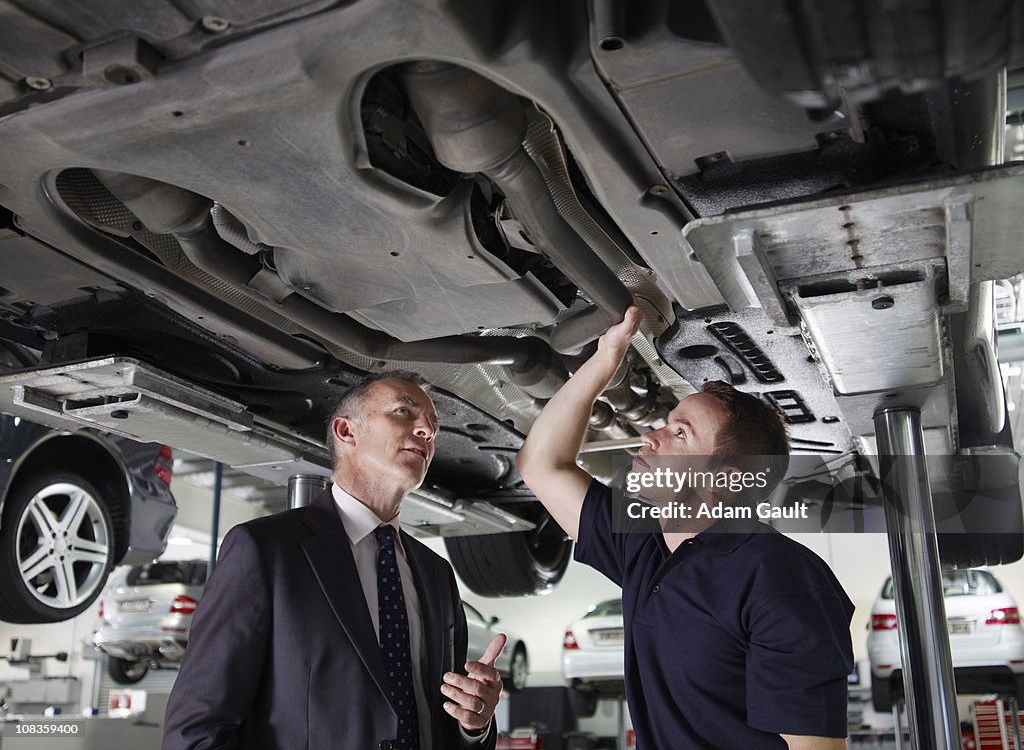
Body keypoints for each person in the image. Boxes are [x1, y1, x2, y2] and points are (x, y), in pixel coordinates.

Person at [516, 307, 854, 750]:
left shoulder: (780, 577)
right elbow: (541, 465)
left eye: (680, 434)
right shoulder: (644, 544)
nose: (650, 438)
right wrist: (602, 364)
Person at [163, 371, 502, 750]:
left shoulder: (436, 573)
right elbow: (196, 731)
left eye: (433, 426)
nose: (426, 429)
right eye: (404, 412)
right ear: (346, 432)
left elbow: (446, 722)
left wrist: (475, 725)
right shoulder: (265, 550)